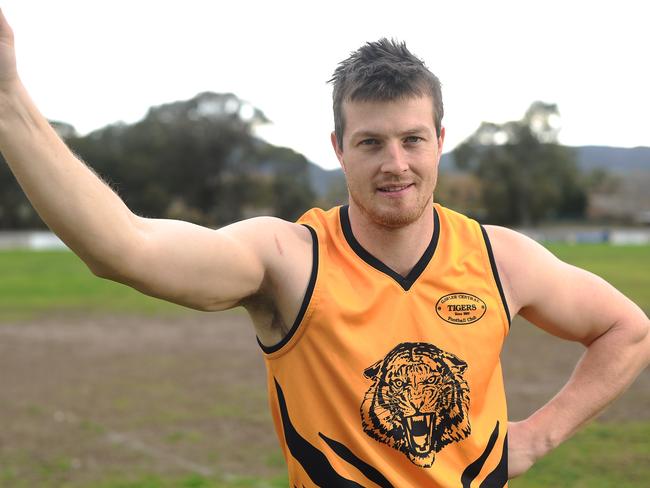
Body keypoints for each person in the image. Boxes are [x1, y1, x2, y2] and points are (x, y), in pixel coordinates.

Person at [0, 10, 648, 487]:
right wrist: (10, 108)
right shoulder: (289, 261)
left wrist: (536, 438)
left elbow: (629, 330)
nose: (396, 164)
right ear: (337, 148)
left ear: (441, 138)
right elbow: (126, 249)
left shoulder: (500, 259)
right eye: (370, 142)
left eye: (413, 139)